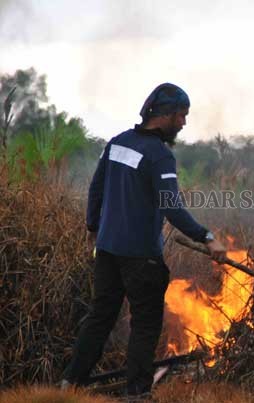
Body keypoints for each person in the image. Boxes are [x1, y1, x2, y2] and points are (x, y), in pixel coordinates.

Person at [61, 83, 226, 400]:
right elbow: (172, 207)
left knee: (100, 317)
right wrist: (207, 237)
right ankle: (136, 394)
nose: (183, 123)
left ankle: (71, 384)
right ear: (164, 115)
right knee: (145, 325)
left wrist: (93, 227)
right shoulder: (160, 155)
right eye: (182, 115)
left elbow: (96, 189)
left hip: (107, 251)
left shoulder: (118, 143)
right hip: (141, 258)